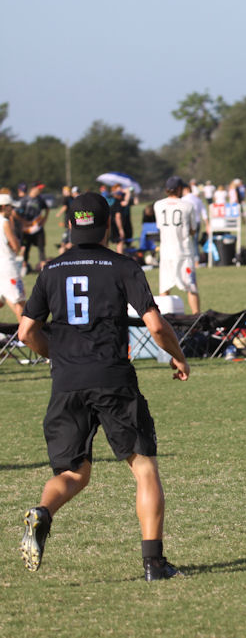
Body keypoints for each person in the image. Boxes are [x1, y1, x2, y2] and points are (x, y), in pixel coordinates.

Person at [17, 192, 190, 581]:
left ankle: (43, 512)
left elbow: (26, 332)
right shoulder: (122, 266)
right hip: (113, 378)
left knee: (73, 474)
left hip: (67, 383)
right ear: (108, 225)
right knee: (143, 467)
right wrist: (179, 356)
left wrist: (59, 357)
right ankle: (154, 564)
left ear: (69, 226)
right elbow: (156, 325)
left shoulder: (50, 269)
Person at [153, 176, 201, 314]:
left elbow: (159, 226)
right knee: (191, 288)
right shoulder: (188, 206)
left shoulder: (158, 205)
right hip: (184, 253)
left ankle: (163, 318)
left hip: (166, 252)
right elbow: (193, 230)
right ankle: (197, 317)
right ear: (179, 189)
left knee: (164, 288)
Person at [0, 192, 27, 320]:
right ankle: (24, 331)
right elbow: (15, 246)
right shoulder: (5, 222)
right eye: (10, 207)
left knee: (5, 297)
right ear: (4, 206)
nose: (12, 210)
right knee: (20, 302)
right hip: (8, 265)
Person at [15, 182, 48, 272]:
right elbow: (15, 213)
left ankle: (44, 270)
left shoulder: (40, 199)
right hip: (27, 230)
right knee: (26, 249)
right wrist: (24, 222)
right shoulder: (24, 200)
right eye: (39, 188)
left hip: (38, 229)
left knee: (41, 249)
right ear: (33, 189)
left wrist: (44, 219)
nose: (40, 190)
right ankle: (24, 268)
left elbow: (47, 209)